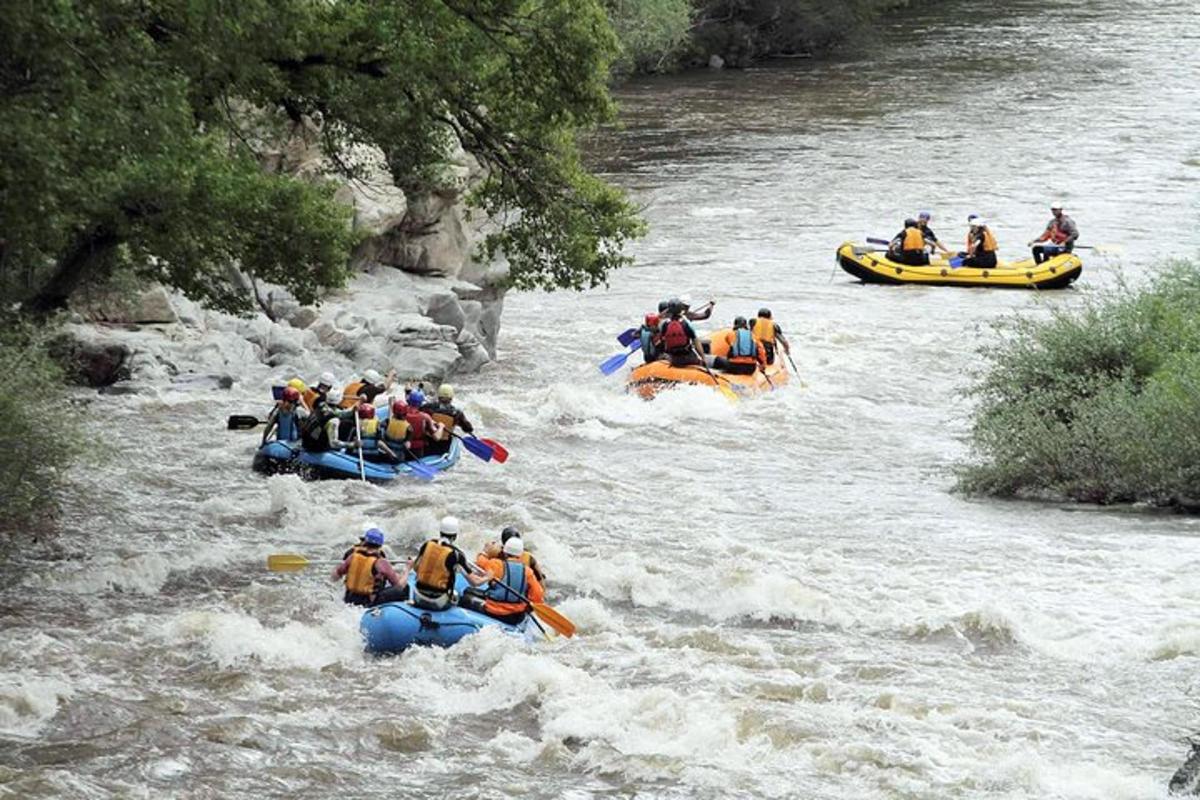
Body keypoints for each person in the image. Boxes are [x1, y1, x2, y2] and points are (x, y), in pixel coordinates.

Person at [411, 516, 489, 610]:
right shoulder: (456, 554)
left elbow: (416, 568)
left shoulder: (427, 544)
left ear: (440, 532)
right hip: (438, 602)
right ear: (455, 536)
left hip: (417, 596)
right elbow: (475, 582)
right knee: (459, 596)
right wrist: (487, 577)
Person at [468, 537, 545, 625]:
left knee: (466, 596)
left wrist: (485, 551)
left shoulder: (495, 564)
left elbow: (480, 562)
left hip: (493, 612)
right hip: (515, 617)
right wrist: (526, 606)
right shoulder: (528, 571)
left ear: (504, 552)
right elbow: (538, 596)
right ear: (520, 554)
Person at [331, 527, 405, 606]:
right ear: (380, 545)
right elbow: (398, 585)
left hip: (349, 599)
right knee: (400, 591)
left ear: (365, 541)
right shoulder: (381, 562)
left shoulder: (352, 557)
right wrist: (407, 569)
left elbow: (335, 576)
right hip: (368, 602)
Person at [421, 384, 474, 456]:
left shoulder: (427, 408)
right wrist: (469, 430)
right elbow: (468, 428)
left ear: (438, 396)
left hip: (427, 445)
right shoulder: (457, 413)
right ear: (451, 398)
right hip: (444, 447)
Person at [299, 387, 354, 452]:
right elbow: (333, 444)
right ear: (340, 401)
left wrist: (357, 406)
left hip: (305, 442)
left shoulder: (321, 405)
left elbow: (341, 413)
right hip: (315, 448)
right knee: (347, 424)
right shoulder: (333, 421)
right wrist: (352, 444)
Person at [658, 301, 706, 368]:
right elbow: (696, 342)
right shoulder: (686, 323)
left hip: (673, 358)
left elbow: (662, 341)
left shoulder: (664, 325)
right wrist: (703, 358)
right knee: (702, 363)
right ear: (680, 310)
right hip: (688, 357)